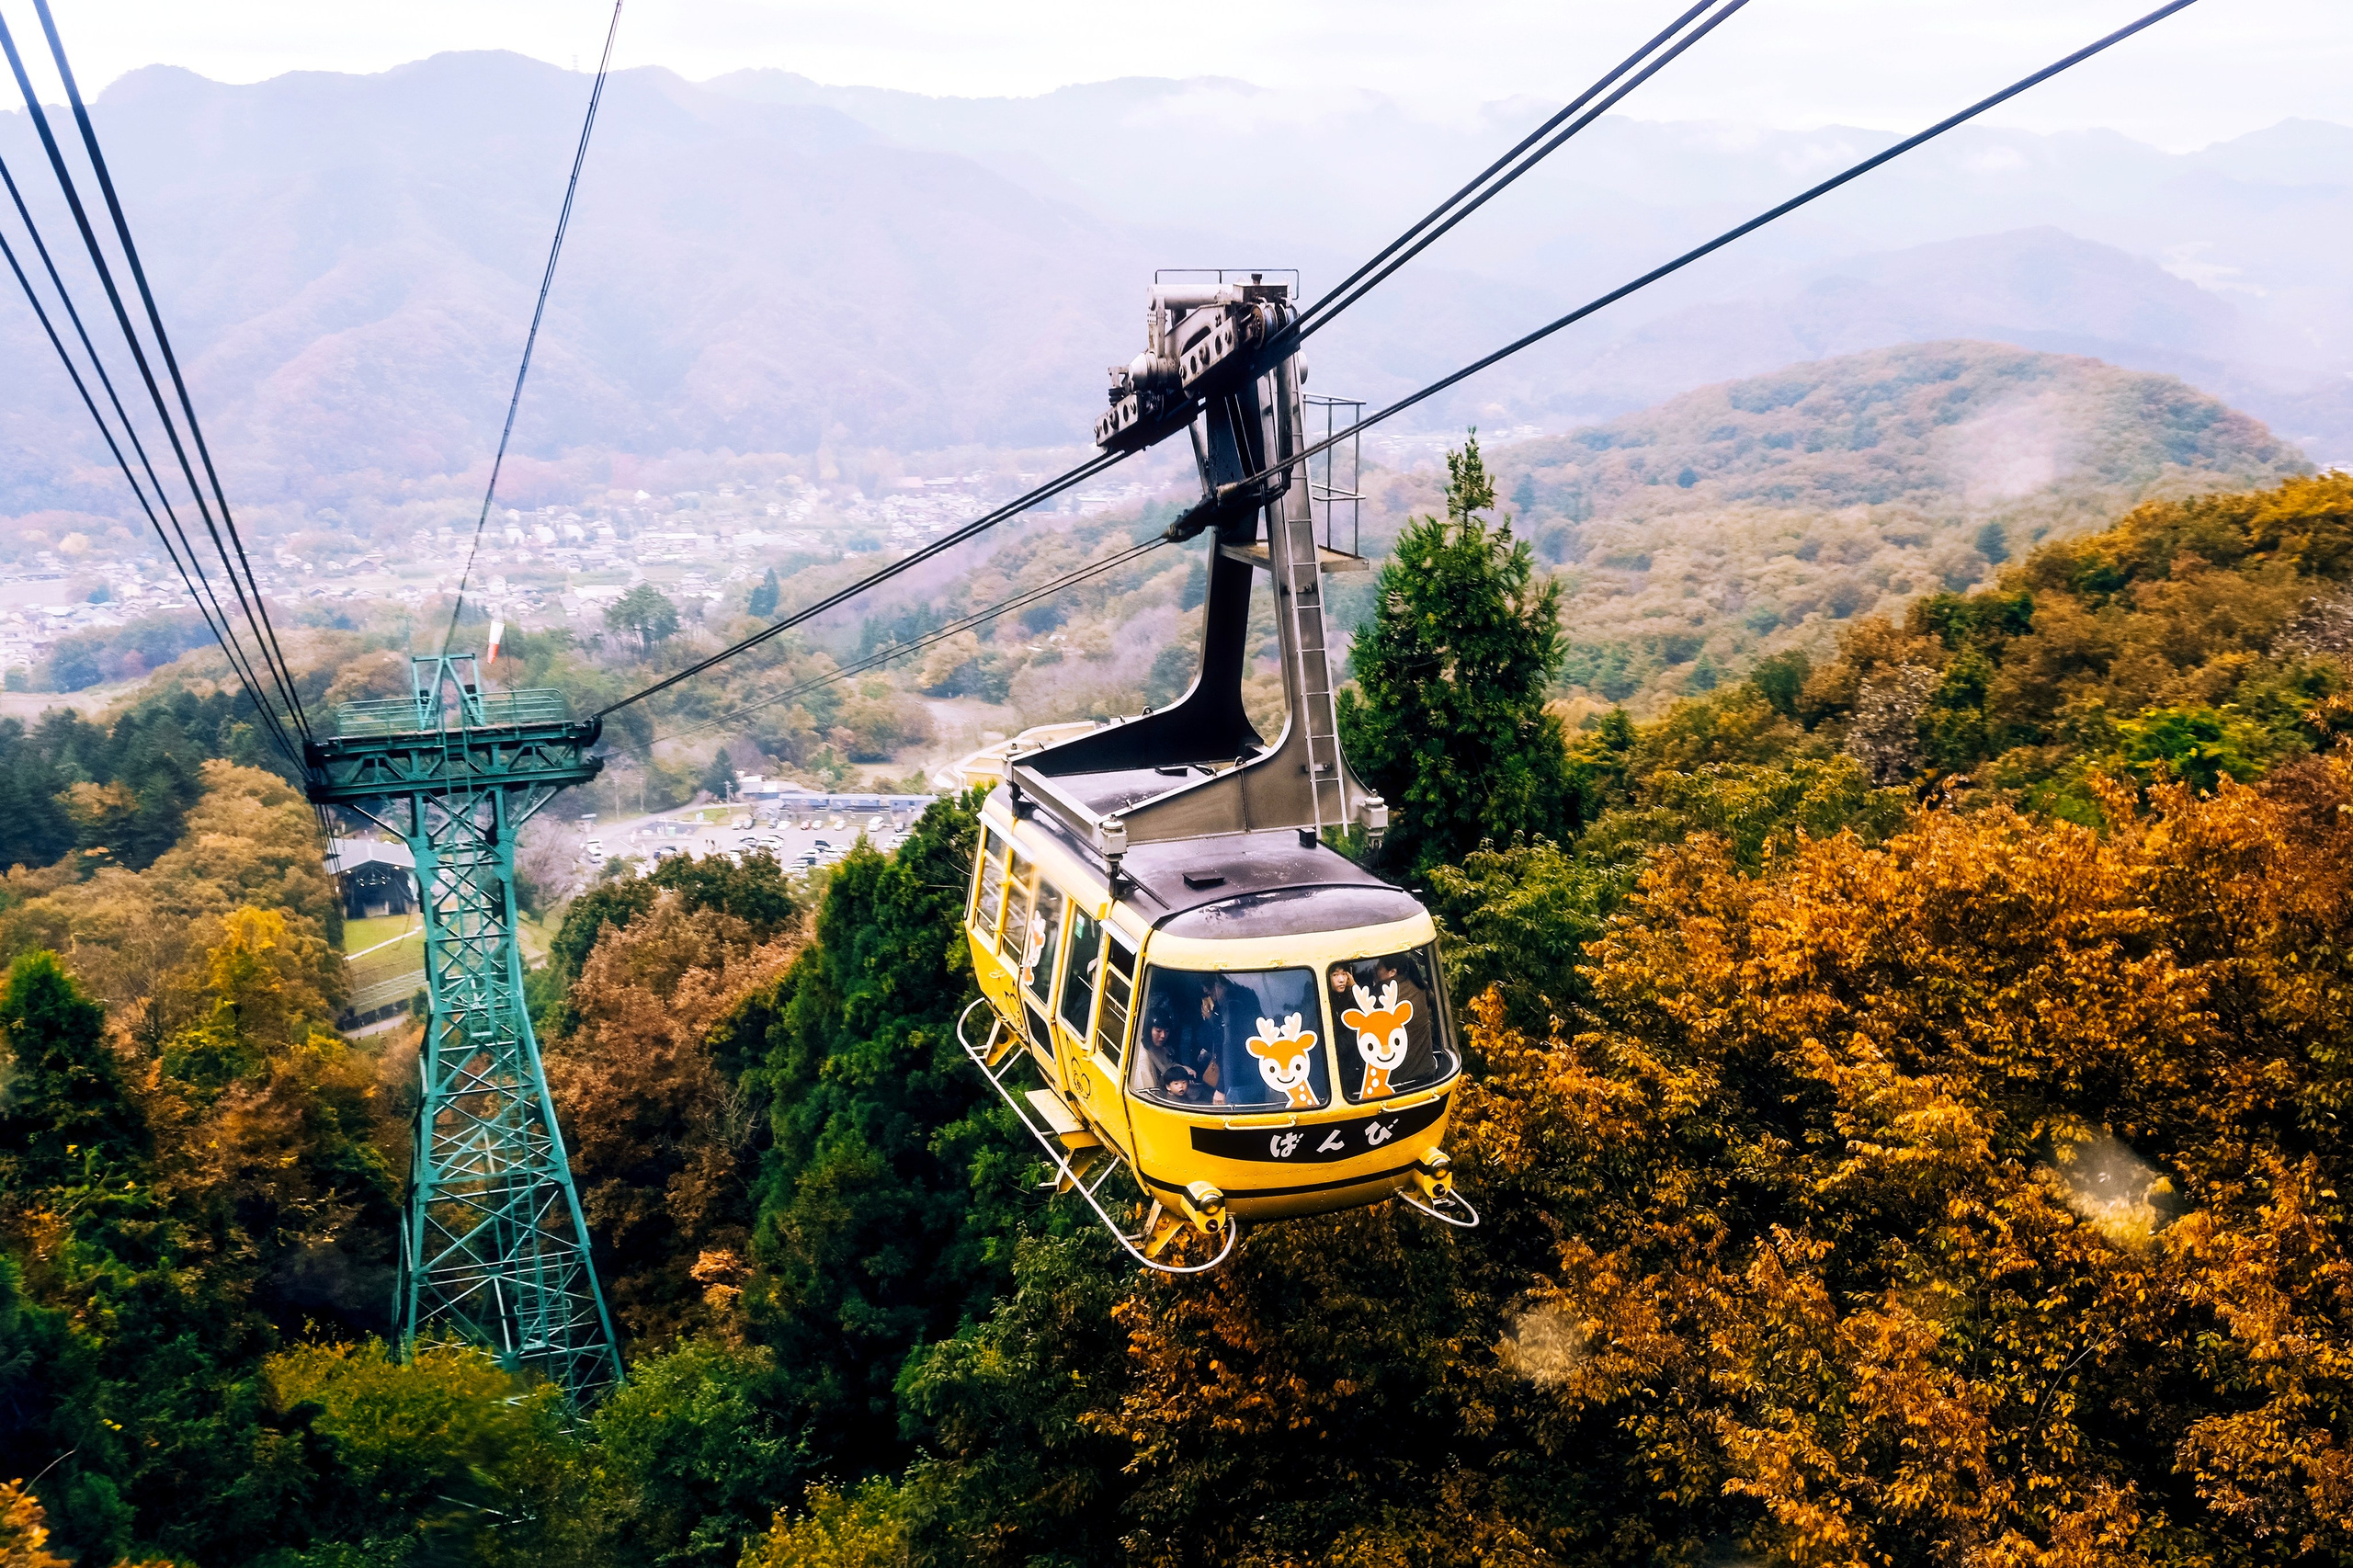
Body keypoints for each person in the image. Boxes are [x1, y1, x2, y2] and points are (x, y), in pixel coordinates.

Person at [1371, 952, 1438, 1087]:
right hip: (1426, 1071)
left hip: (1397, 1080)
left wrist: (1351, 990)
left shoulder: (1383, 997)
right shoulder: (1419, 987)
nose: (1375, 970)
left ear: (1392, 972)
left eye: (1378, 968)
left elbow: (1366, 1023)